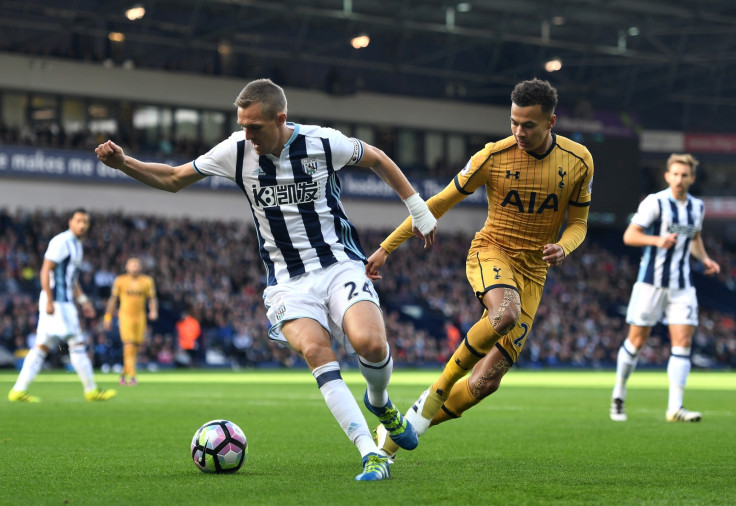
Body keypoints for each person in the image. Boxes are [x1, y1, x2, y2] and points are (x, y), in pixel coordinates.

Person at [95, 78, 437, 481]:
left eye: (255, 127)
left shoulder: (322, 143)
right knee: (315, 351)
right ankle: (371, 453)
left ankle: (379, 402)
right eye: (242, 125)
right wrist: (124, 163)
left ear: (280, 119)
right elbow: (173, 178)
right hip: (287, 281)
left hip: (340, 264)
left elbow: (377, 157)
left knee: (371, 343)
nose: (247, 134)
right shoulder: (236, 151)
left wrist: (418, 208)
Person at [366, 78, 593, 459]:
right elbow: (436, 204)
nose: (519, 132)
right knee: (505, 313)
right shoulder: (493, 156)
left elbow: (579, 223)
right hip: (493, 251)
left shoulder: (579, 161)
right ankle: (438, 388)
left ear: (551, 122)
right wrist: (387, 248)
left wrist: (564, 246)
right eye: (513, 123)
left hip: (534, 272)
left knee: (486, 382)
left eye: (529, 125)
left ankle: (394, 433)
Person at [610, 153, 720, 423]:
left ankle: (675, 407)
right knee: (636, 342)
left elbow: (694, 238)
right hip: (651, 284)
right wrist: (657, 240)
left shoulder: (697, 207)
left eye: (685, 175)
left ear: (692, 178)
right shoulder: (655, 202)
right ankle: (619, 394)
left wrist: (705, 259)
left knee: (682, 343)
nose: (680, 179)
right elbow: (630, 235)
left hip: (682, 286)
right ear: (667, 176)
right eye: (676, 174)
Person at [8, 209, 117, 403]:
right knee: (77, 343)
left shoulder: (77, 246)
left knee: (41, 347)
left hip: (64, 301)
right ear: (70, 222)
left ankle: (18, 390)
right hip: (58, 303)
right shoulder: (61, 242)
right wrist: (49, 300)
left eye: (85, 222)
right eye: (78, 221)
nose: (82, 225)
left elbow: (71, 279)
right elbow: (45, 270)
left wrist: (83, 301)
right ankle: (91, 390)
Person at [103, 257, 158, 385]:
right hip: (125, 316)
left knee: (136, 346)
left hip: (140, 317)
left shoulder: (147, 281)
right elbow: (113, 299)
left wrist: (154, 311)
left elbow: (152, 298)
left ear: (141, 267)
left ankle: (123, 373)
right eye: (132, 265)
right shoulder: (120, 281)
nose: (134, 267)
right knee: (129, 344)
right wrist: (107, 317)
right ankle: (133, 376)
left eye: (136, 264)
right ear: (126, 267)